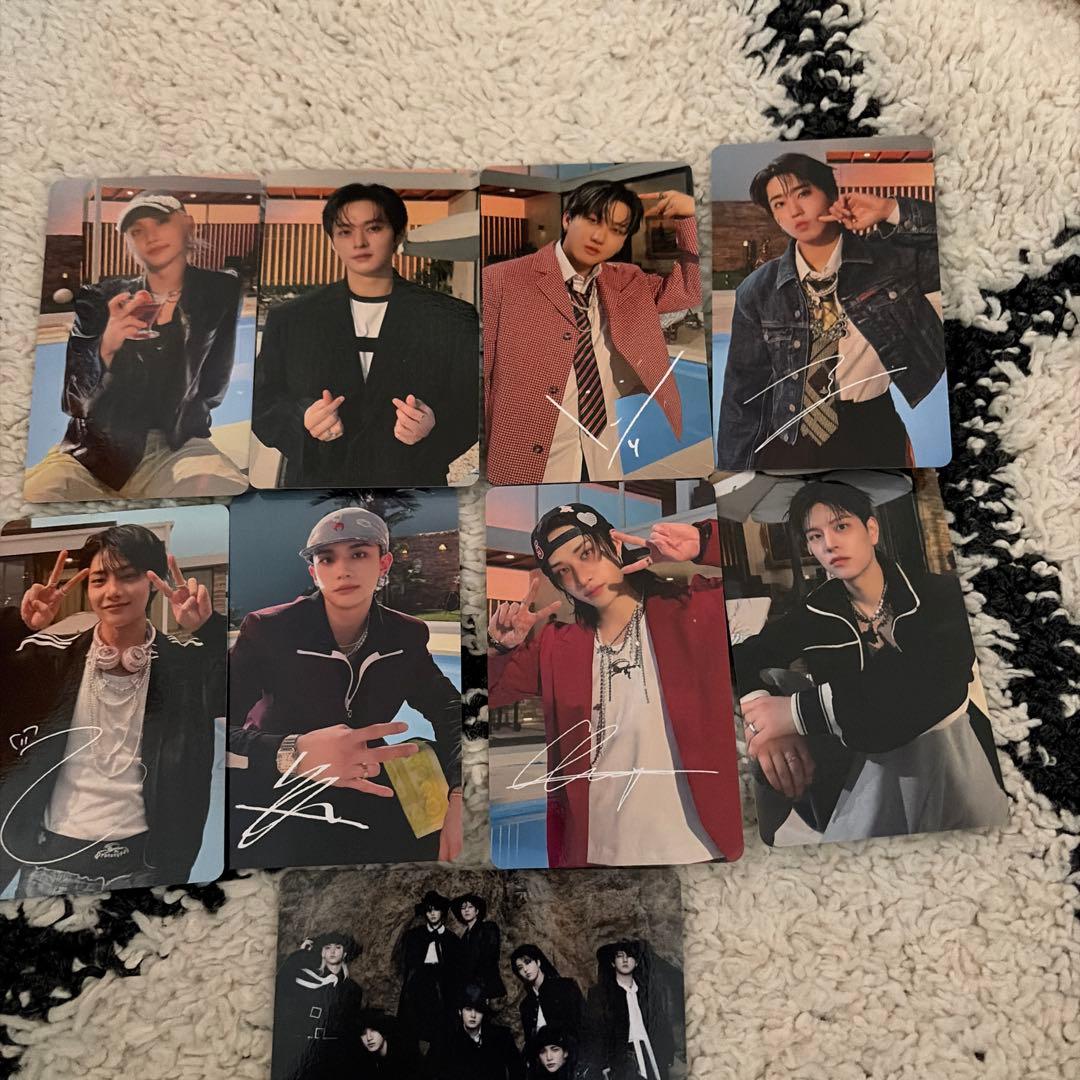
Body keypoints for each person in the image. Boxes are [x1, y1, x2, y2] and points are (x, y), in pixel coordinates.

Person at [734, 479, 1009, 842]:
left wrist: (795, 714)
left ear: (872, 530)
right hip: (861, 774)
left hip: (954, 759)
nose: (829, 544)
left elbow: (932, 681)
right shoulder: (815, 612)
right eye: (815, 536)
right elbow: (742, 658)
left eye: (841, 526)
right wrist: (767, 729)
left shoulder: (938, 595)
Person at [487, 503, 743, 868]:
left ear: (615, 544)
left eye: (586, 553)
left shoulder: (692, 610)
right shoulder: (557, 646)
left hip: (699, 846)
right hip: (600, 852)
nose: (581, 577)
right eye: (563, 571)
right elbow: (487, 696)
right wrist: (498, 647)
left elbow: (754, 571)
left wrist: (704, 542)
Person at [226, 506, 463, 868]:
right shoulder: (270, 631)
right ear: (314, 572)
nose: (343, 570)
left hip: (370, 784)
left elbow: (454, 712)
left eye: (359, 554)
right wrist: (294, 751)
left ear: (384, 563)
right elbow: (211, 726)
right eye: (327, 559)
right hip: (281, 786)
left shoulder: (404, 635)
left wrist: (461, 794)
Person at [0, 526, 222, 897]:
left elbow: (249, 688)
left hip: (146, 870)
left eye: (128, 576)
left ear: (153, 582)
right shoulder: (50, 661)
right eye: (99, 580)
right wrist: (17, 625)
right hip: (49, 868)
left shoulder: (185, 669)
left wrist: (210, 630)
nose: (113, 591)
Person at [716, 151, 946, 471]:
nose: (794, 210)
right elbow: (742, 394)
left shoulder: (891, 262)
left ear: (831, 195)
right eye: (779, 203)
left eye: (803, 194)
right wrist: (733, 473)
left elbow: (964, 243)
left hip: (872, 426)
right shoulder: (757, 290)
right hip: (789, 435)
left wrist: (889, 210)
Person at [252, 182, 479, 487]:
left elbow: (473, 407)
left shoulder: (451, 319)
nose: (359, 242)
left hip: (412, 487)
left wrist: (433, 428)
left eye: (373, 228)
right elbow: (261, 401)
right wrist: (301, 418)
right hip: (315, 488)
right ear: (332, 242)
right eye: (345, 231)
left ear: (398, 234)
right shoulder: (291, 318)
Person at [24, 190, 248, 500]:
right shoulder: (98, 298)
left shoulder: (220, 292)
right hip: (92, 452)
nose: (150, 236)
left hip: (177, 446)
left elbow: (213, 384)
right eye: (136, 231)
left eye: (160, 222)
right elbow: (74, 402)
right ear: (129, 244)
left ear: (188, 225)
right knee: (40, 494)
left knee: (225, 491)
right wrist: (107, 344)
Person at [483, 181, 701, 484]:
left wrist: (691, 216)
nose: (600, 236)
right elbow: (484, 373)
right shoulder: (502, 280)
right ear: (567, 218)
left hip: (602, 450)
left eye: (617, 230)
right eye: (593, 220)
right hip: (530, 453)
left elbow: (691, 289)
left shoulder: (627, 281)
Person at [271, 932, 364, 1080]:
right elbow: (281, 985)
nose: (332, 951)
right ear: (322, 953)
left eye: (338, 947)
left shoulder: (353, 989)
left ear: (345, 953)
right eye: (327, 947)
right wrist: (300, 954)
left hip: (334, 1057)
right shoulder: (305, 977)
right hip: (303, 1052)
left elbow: (350, 1030)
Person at [585, 941, 675, 1080]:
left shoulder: (647, 992)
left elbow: (662, 1024)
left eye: (630, 956)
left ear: (637, 962)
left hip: (649, 1053)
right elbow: (596, 1032)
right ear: (613, 963)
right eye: (620, 956)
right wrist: (603, 1064)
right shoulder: (600, 994)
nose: (625, 960)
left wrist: (667, 1054)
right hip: (621, 1058)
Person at [396, 889, 465, 1054]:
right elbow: (407, 964)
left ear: (442, 912)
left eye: (436, 909)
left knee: (441, 1034)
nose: (432, 914)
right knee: (412, 1031)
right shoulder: (414, 936)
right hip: (418, 987)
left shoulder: (452, 940)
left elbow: (456, 973)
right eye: (428, 910)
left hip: (443, 990)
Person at [437, 984, 524, 1080]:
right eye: (468, 1009)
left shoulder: (502, 1037)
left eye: (478, 1010)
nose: (473, 1015)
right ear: (460, 1012)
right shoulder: (449, 1042)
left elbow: (518, 1070)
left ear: (483, 1013)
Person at [509, 944, 584, 1043]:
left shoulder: (565, 987)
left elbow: (583, 1025)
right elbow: (530, 1042)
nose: (525, 969)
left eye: (528, 962)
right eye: (520, 967)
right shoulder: (526, 1005)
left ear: (538, 962)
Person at [452, 891, 507, 1002]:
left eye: (470, 907)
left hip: (486, 987)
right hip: (470, 989)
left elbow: (489, 959)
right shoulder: (464, 937)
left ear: (477, 911)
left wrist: (480, 989)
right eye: (463, 908)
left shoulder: (488, 928)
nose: (466, 910)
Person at [355, 1009, 422, 1078]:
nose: (369, 1038)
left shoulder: (404, 1053)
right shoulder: (365, 1059)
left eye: (373, 1030)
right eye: (363, 1033)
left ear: (383, 1030)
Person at [526, 1026, 596, 1079]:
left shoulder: (583, 1075)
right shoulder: (533, 1075)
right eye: (542, 1052)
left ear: (565, 1052)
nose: (549, 1057)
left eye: (555, 1050)